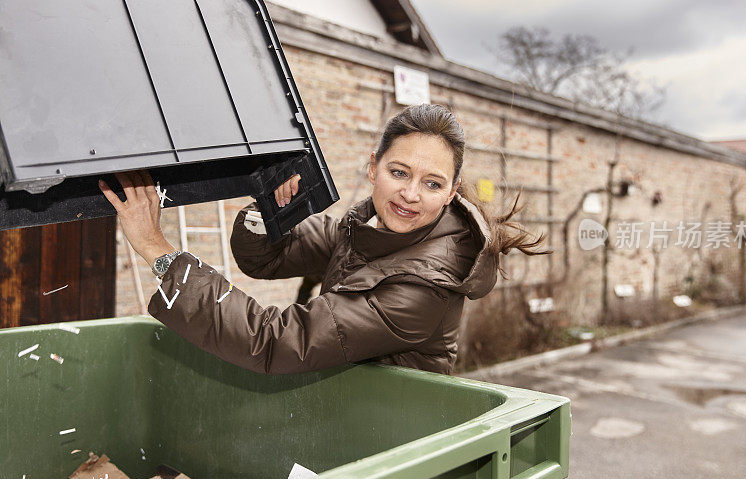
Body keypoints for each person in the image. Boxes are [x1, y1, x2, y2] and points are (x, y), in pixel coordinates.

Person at [99, 104, 545, 375]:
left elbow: (273, 341)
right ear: (373, 168)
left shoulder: (423, 288)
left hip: (392, 444)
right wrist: (269, 207)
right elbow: (267, 259)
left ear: (451, 193)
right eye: (399, 172)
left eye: (432, 184)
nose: (410, 195)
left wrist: (156, 248)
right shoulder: (366, 230)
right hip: (347, 417)